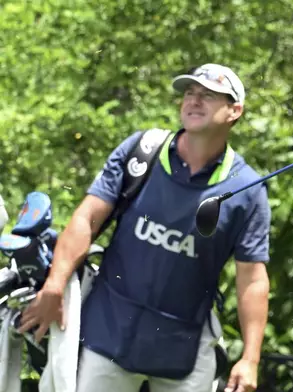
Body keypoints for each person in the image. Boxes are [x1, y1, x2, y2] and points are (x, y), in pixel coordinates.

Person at [17, 63, 271, 392]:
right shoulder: (142, 151)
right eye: (190, 93)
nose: (194, 101)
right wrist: (54, 285)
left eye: (208, 96)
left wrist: (250, 358)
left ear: (235, 110)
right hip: (106, 337)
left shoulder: (248, 189)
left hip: (184, 351)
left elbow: (252, 278)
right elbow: (86, 219)